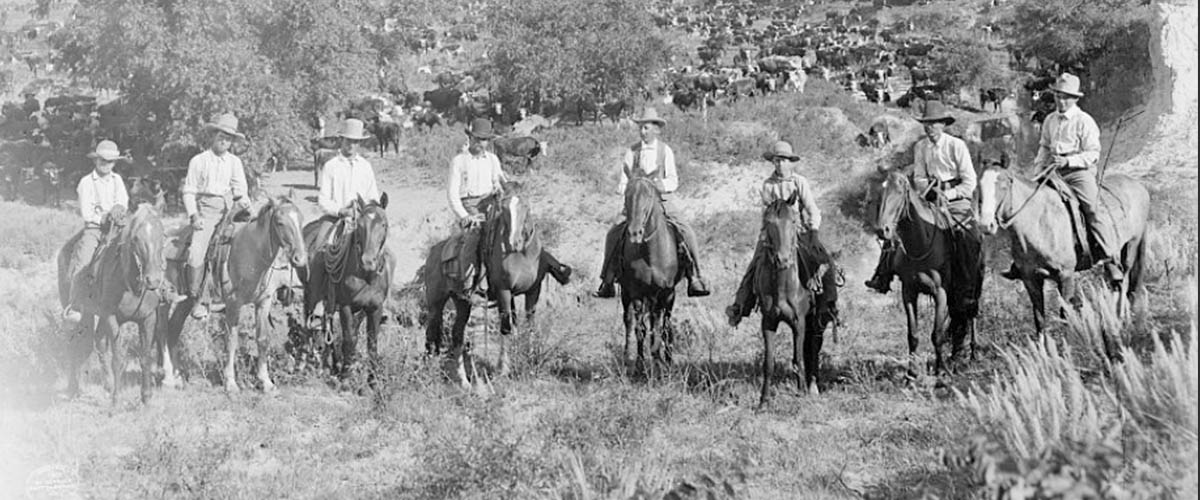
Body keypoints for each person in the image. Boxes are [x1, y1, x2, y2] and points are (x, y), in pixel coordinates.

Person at [1002, 72, 1117, 281]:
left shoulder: (1084, 121)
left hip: (1078, 172)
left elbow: (1093, 153)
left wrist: (1069, 161)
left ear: (1074, 99)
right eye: (1058, 97)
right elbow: (1044, 147)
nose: (1061, 101)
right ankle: (1023, 260)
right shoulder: (1050, 120)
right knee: (1028, 203)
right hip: (1052, 172)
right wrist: (1037, 171)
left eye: (1066, 97)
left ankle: (1108, 256)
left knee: (1091, 208)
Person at [594, 107, 711, 298]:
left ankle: (695, 276)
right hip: (636, 203)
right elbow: (623, 181)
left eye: (646, 128)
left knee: (686, 230)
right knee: (613, 232)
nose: (642, 131)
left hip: (661, 201)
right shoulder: (632, 151)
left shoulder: (665, 151)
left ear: (656, 129)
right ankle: (607, 279)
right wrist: (628, 188)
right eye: (641, 128)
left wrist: (659, 185)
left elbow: (673, 180)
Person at [865, 100, 978, 294]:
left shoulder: (956, 146)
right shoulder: (921, 147)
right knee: (897, 225)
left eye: (934, 123)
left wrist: (948, 194)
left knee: (965, 236)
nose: (930, 128)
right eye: (926, 123)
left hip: (956, 200)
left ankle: (968, 282)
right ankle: (882, 274)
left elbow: (969, 182)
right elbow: (919, 177)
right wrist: (929, 191)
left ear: (943, 124)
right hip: (930, 197)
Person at [725, 140, 832, 327]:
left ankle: (828, 304)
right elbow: (765, 214)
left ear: (790, 162)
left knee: (824, 261)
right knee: (754, 265)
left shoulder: (799, 182)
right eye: (776, 161)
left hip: (798, 230)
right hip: (773, 233)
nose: (779, 164)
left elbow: (812, 209)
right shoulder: (768, 185)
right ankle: (741, 305)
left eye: (783, 160)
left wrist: (813, 230)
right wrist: (765, 235)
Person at [181, 113, 250, 319]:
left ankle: (245, 290)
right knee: (197, 251)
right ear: (213, 135)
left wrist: (243, 201)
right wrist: (194, 215)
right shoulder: (199, 161)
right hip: (206, 209)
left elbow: (240, 189)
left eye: (229, 138)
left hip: (230, 208)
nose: (224, 141)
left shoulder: (234, 162)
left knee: (249, 241)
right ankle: (197, 298)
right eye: (221, 136)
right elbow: (189, 191)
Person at [62, 140, 130, 322]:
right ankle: (75, 304)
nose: (106, 164)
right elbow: (87, 212)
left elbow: (123, 200)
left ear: (115, 163)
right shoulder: (87, 182)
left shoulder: (117, 180)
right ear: (95, 161)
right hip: (95, 229)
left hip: (117, 228)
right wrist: (105, 217)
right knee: (83, 259)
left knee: (135, 250)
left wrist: (119, 209)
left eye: (110, 161)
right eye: (102, 160)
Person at [445, 118, 506, 299]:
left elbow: (498, 181)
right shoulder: (459, 161)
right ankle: (468, 280)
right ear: (470, 138)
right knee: (475, 234)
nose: (481, 143)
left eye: (484, 140)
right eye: (477, 139)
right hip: (469, 205)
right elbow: (452, 193)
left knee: (509, 229)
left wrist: (499, 189)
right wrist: (464, 215)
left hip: (490, 204)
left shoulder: (493, 160)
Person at [310, 118, 381, 250]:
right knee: (319, 248)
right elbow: (323, 200)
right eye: (348, 140)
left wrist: (365, 212)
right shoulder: (331, 166)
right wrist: (341, 211)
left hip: (362, 219)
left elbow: (373, 197)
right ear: (341, 140)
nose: (351, 145)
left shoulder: (365, 166)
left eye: (355, 141)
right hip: (335, 218)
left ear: (359, 143)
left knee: (380, 251)